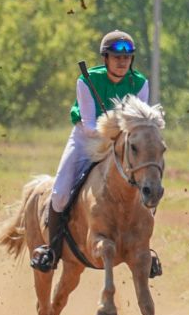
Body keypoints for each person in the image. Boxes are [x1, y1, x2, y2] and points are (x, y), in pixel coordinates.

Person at [30, 31, 155, 273]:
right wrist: (112, 130)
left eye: (127, 58)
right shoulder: (87, 80)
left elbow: (140, 124)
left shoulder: (140, 83)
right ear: (105, 58)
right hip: (86, 141)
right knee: (61, 192)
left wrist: (122, 139)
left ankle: (145, 248)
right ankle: (52, 249)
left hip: (121, 145)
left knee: (148, 183)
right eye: (117, 57)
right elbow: (88, 126)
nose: (122, 62)